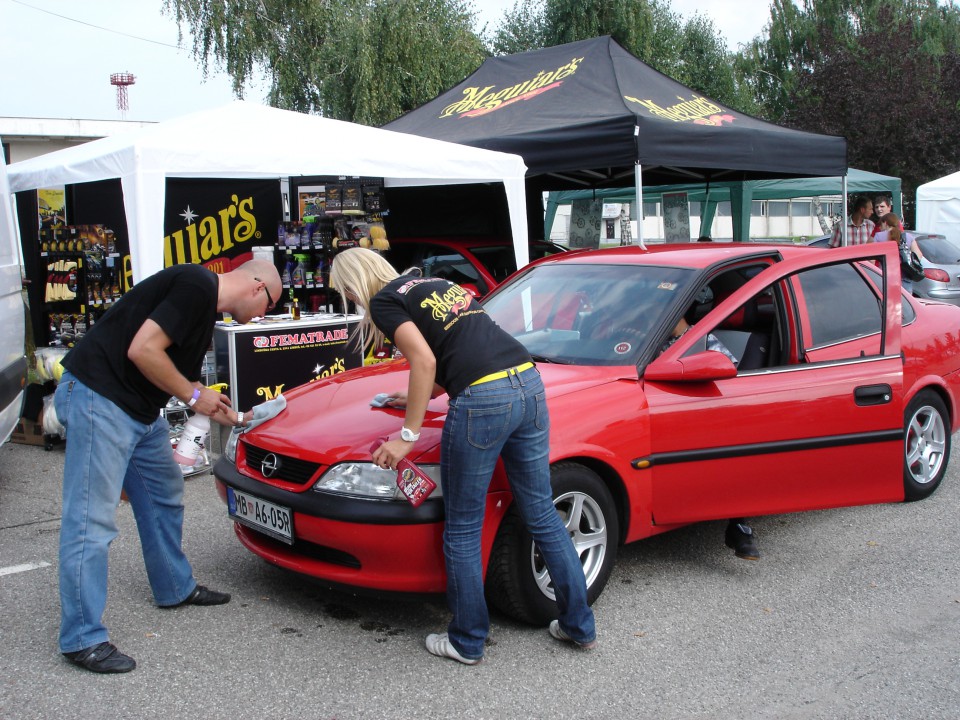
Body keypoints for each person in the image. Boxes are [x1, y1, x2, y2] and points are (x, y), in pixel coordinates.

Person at [329, 247, 596, 665]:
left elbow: (424, 360)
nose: (352, 299)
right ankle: (579, 624)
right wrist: (419, 396)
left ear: (353, 284)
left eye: (345, 291)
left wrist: (406, 436)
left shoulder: (385, 300)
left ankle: (467, 640)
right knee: (541, 511)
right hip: (526, 382)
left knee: (464, 526)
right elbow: (459, 350)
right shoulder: (435, 282)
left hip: (484, 399)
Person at [54, 258, 282, 674]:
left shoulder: (203, 308)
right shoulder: (197, 285)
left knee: (164, 496)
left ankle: (174, 587)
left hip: (136, 410)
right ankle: (81, 639)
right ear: (255, 286)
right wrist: (197, 398)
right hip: (99, 398)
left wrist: (218, 408)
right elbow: (142, 349)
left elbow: (168, 373)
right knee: (91, 521)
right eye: (270, 303)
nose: (264, 315)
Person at [659, 308, 760, 561]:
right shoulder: (649, 340)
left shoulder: (702, 339)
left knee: (733, 453)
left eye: (666, 311)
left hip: (701, 411)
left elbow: (729, 374)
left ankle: (738, 526)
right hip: (664, 410)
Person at [878, 212, 925, 295]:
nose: (880, 228)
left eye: (881, 225)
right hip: (905, 279)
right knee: (905, 306)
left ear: (885, 223)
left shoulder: (879, 236)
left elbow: (871, 259)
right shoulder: (908, 236)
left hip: (886, 279)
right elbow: (919, 255)